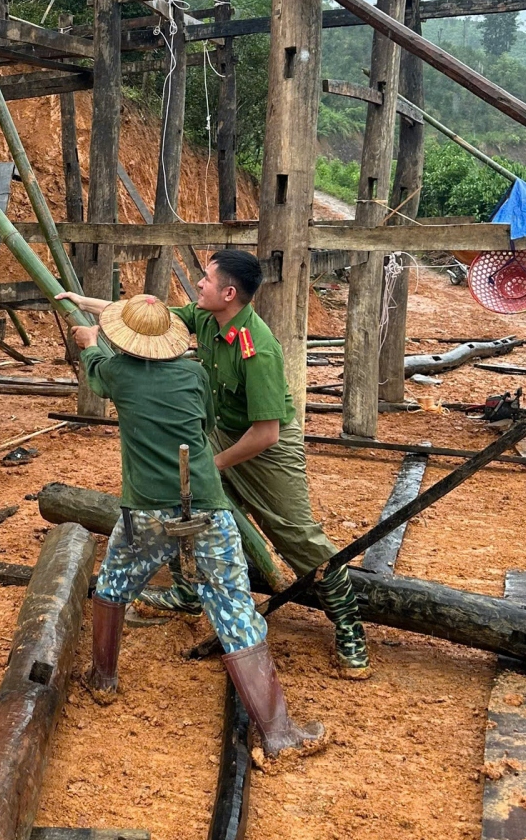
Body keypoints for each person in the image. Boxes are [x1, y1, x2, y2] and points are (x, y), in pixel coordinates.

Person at [61, 250, 372, 679]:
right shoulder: (206, 318)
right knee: (180, 493)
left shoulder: (258, 349)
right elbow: (148, 317)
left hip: (267, 446)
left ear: (229, 292)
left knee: (297, 536)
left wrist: (210, 465)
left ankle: (349, 625)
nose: (197, 285)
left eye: (204, 279)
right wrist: (83, 301)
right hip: (221, 430)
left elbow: (267, 434)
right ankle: (189, 590)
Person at [69, 291, 326, 769]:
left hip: (144, 508)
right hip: (204, 503)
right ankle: (279, 732)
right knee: (233, 606)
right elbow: (206, 425)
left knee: (113, 585)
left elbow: (96, 364)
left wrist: (88, 341)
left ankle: (103, 678)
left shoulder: (115, 374)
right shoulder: (194, 373)